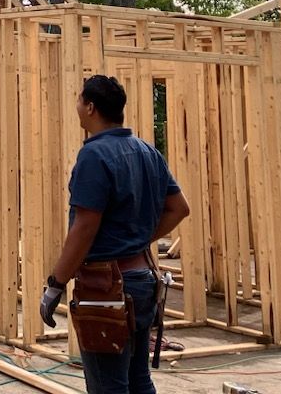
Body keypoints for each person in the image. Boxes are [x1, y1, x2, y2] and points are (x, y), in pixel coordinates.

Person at [40, 74, 191, 394]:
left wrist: (55, 284)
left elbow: (84, 227)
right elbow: (179, 208)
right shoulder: (147, 151)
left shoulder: (94, 155)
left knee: (109, 386)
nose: (77, 106)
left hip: (107, 290)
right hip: (143, 280)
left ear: (91, 107)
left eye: (80, 100)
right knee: (138, 381)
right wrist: (137, 239)